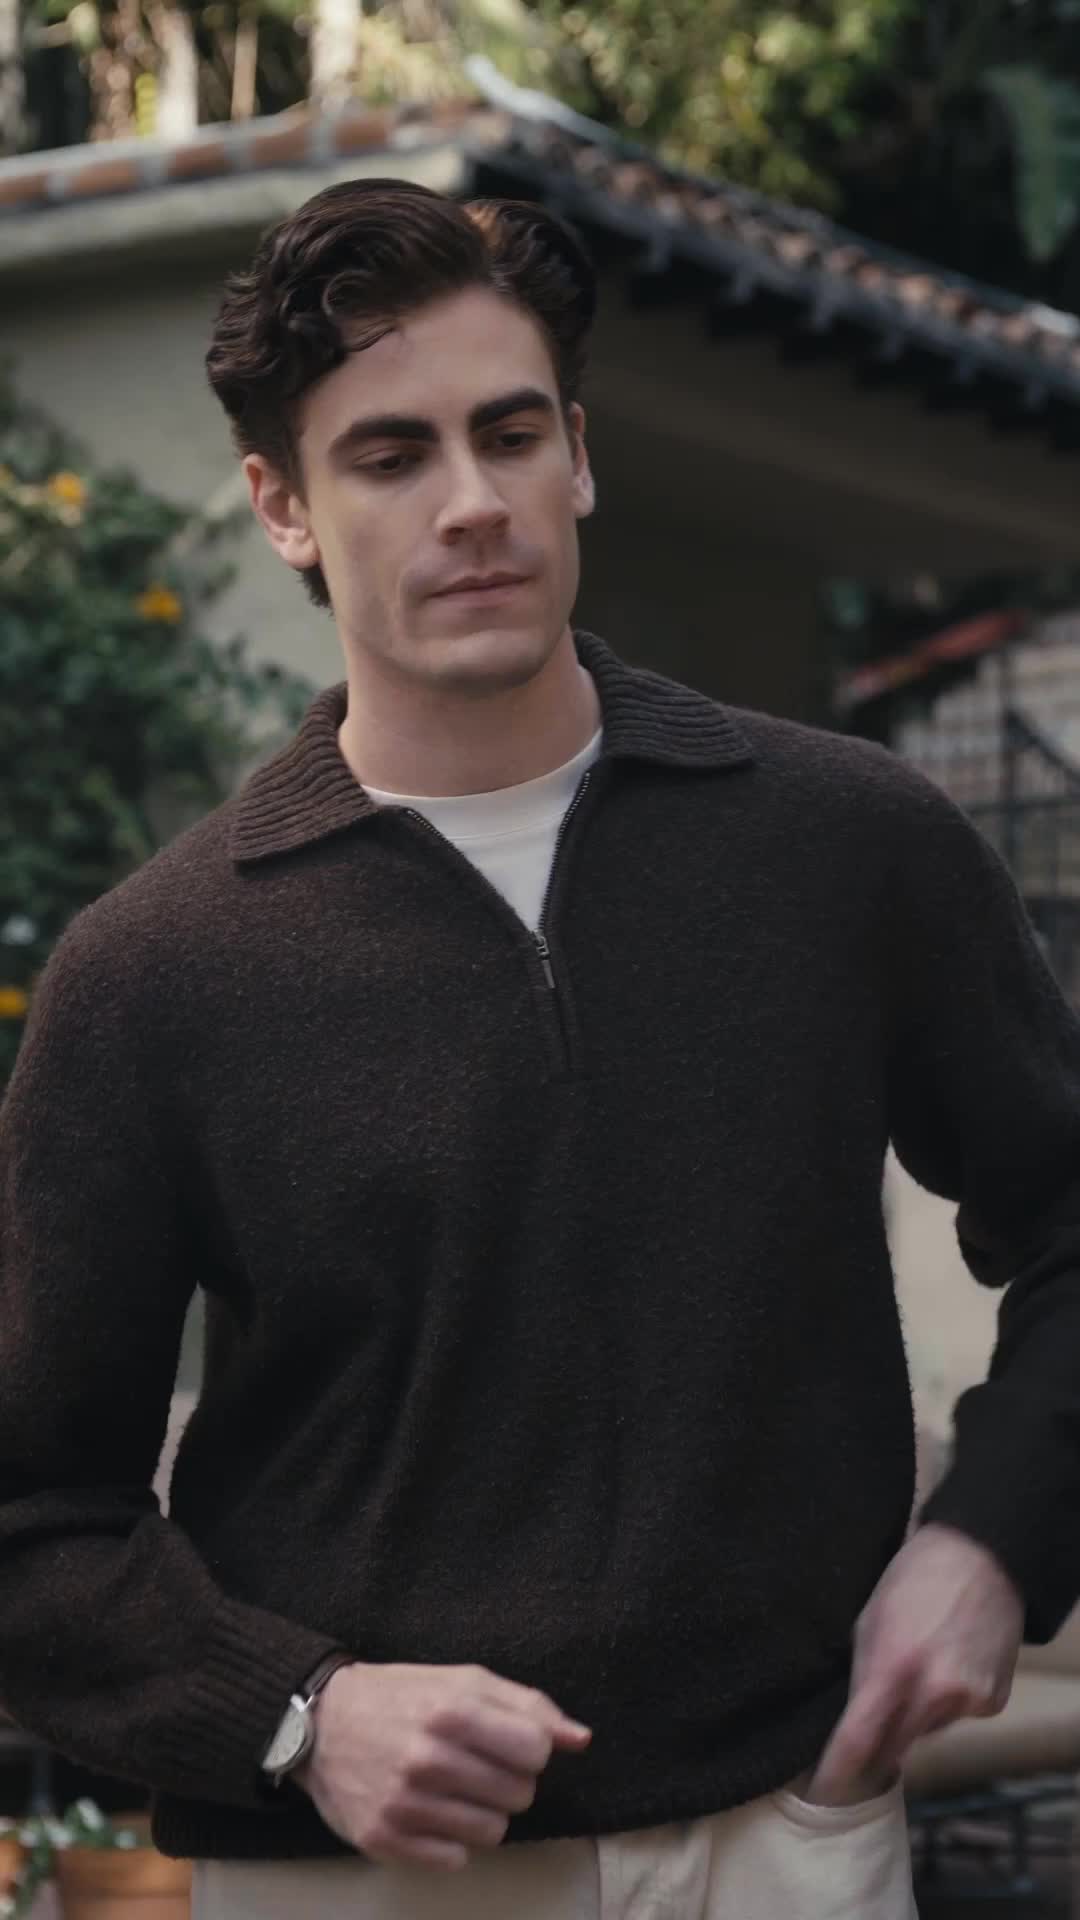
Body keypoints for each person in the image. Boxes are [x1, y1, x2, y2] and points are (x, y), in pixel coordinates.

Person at [1, 177, 1078, 1920]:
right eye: (390, 456)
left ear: (579, 455)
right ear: (281, 506)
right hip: (366, 1873)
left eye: (511, 435)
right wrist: (297, 1715)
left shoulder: (847, 847)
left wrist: (992, 1540)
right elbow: (31, 1521)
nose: (472, 503)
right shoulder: (152, 977)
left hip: (791, 1835)